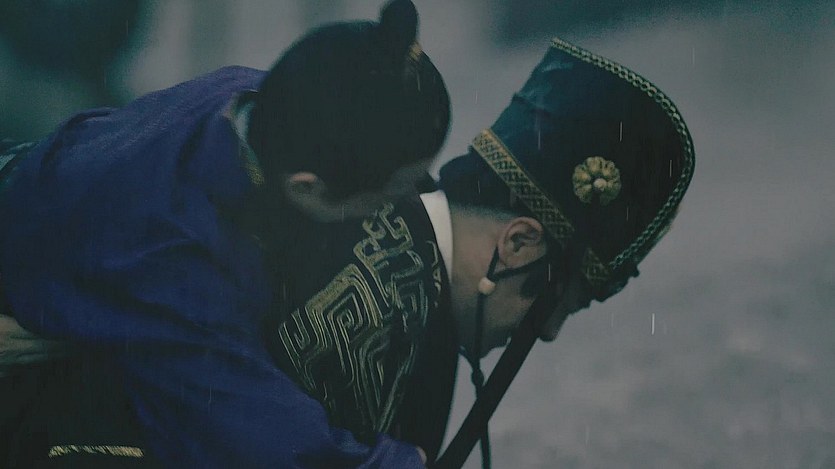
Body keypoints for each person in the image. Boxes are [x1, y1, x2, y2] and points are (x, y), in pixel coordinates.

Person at [2, 36, 695, 468]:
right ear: (518, 242)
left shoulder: (273, 107)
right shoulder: (180, 248)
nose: (547, 330)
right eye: (566, 303)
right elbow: (247, 425)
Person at [0, 0, 451, 467]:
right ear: (307, 187)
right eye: (391, 193)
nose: (405, 202)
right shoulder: (175, 253)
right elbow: (256, 431)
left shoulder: (251, 98)